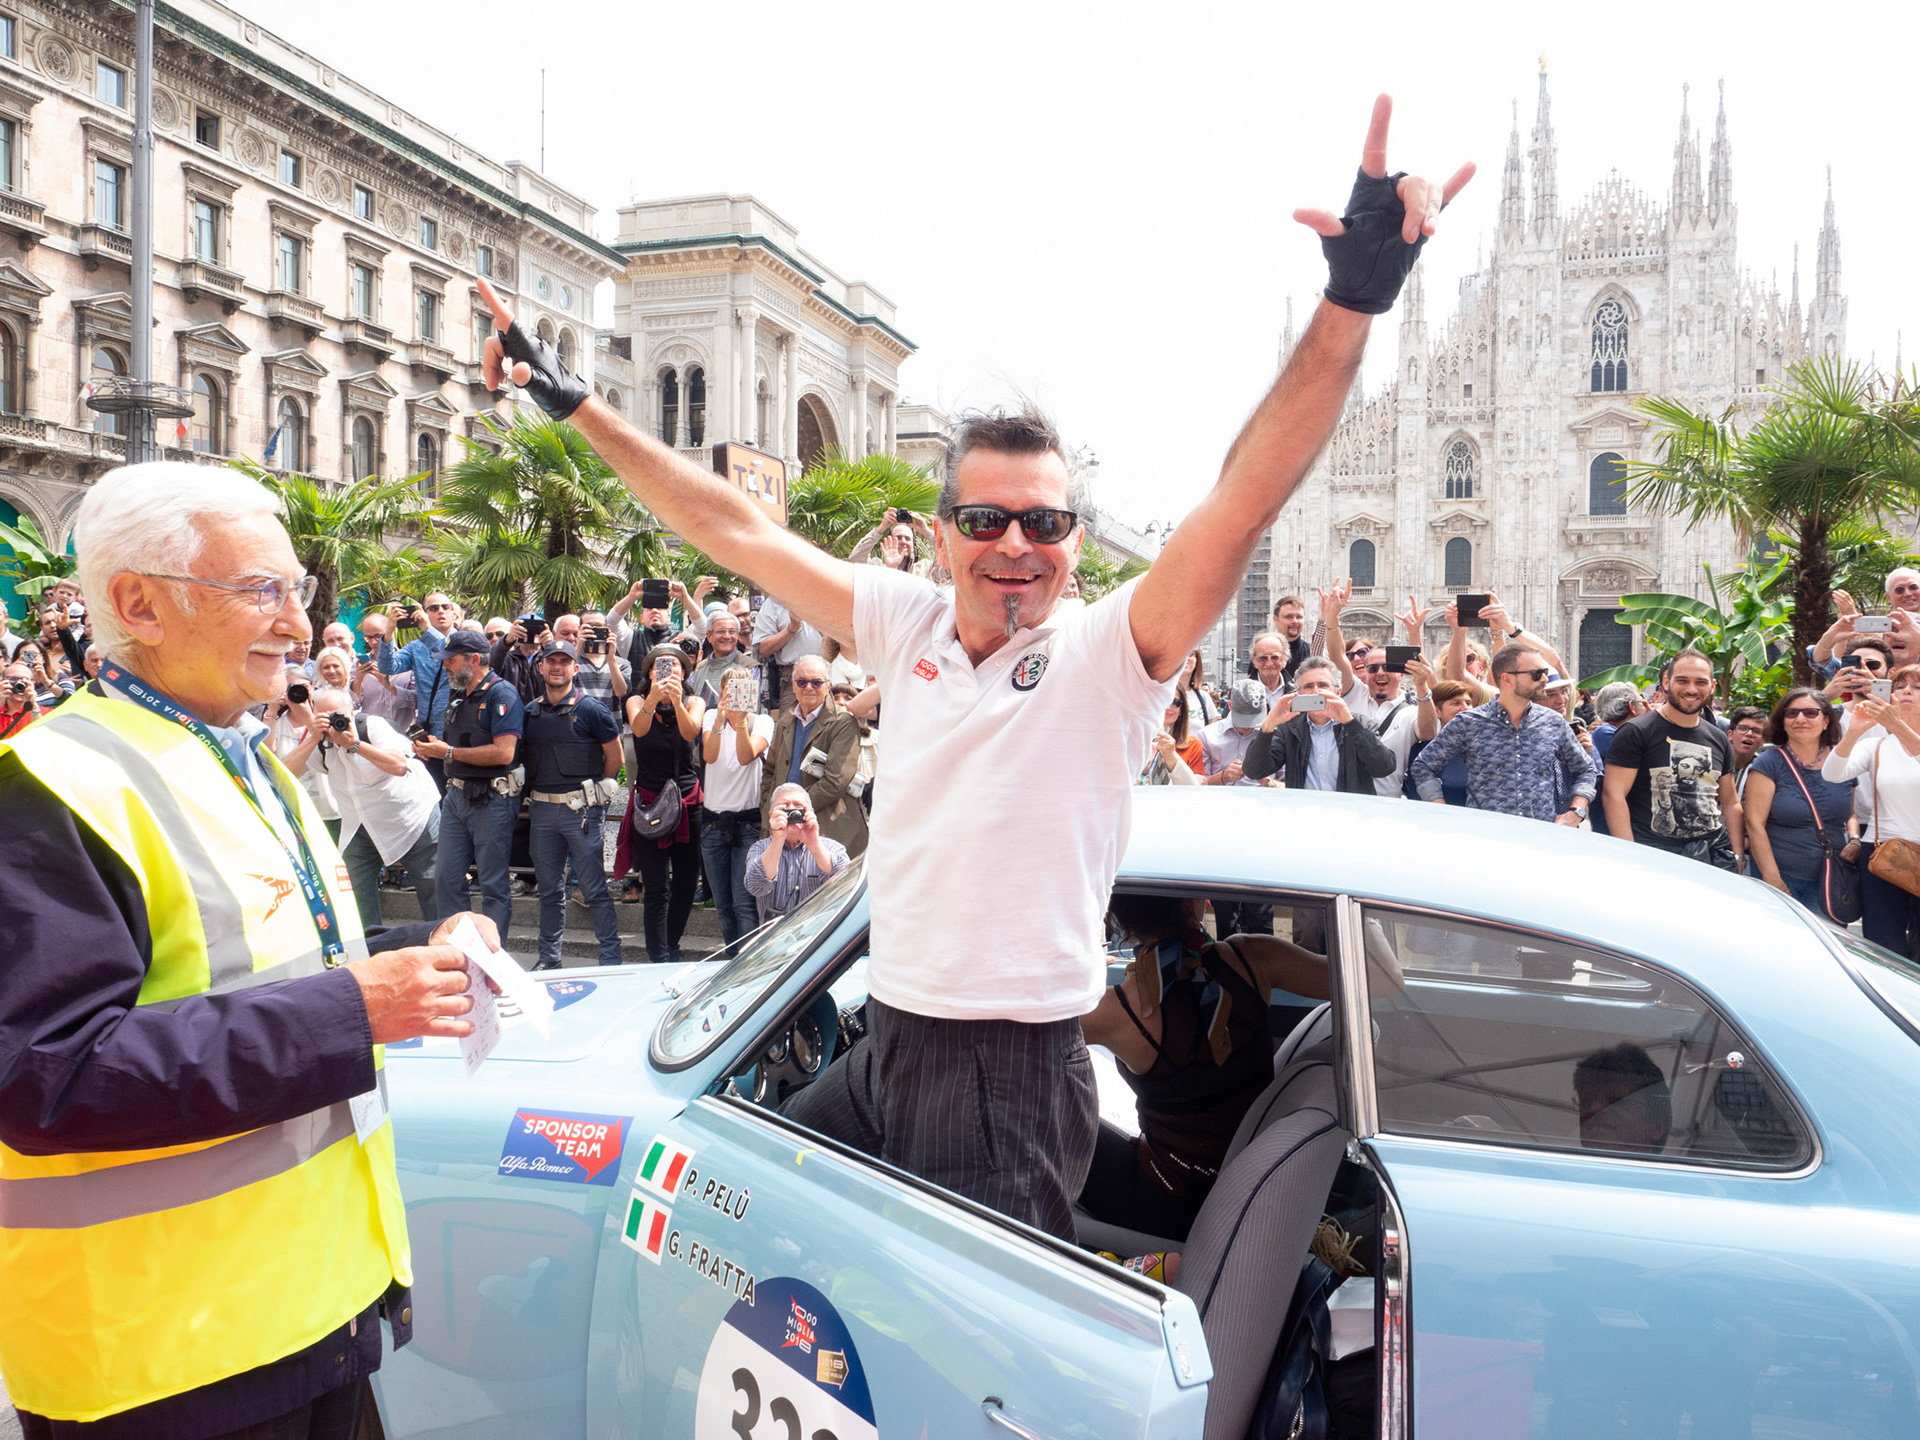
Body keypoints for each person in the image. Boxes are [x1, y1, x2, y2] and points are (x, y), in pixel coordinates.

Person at [474, 99, 1469, 1236]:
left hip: (1002, 1076)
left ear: (1075, 547)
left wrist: (1351, 304)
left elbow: (1241, 500)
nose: (1015, 546)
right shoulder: (908, 624)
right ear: (941, 534)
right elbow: (735, 532)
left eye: (1044, 526)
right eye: (988, 519)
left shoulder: (1104, 657)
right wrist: (574, 400)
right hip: (890, 1038)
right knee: (737, 1227)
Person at [0, 461, 493, 1436]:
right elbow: (45, 1076)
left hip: (312, 1313)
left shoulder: (243, 751)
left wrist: (416, 950)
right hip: (162, 1365)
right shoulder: (50, 786)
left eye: (297, 590)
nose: (299, 627)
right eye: (259, 590)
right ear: (139, 604)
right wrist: (359, 1009)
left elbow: (273, 961)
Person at [1078, 893, 1336, 1237]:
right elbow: (1382, 980)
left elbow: (1019, 1039)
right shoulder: (1253, 959)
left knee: (1062, 1115)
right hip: (1247, 1183)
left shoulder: (1116, 1010)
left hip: (1167, 1205)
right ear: (1193, 904)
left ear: (1119, 918)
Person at [283, 682, 442, 931]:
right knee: (354, 892)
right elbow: (285, 773)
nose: (334, 723)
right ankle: (370, 952)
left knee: (432, 887)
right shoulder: (321, 741)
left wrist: (354, 745)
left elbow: (399, 765)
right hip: (359, 825)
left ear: (352, 711)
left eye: (339, 716)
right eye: (326, 717)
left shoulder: (372, 726)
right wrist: (314, 735)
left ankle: (444, 949)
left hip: (411, 819)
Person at [521, 640, 624, 969]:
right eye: (551, 660)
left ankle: (610, 957)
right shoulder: (529, 712)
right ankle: (548, 959)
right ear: (541, 667)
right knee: (549, 891)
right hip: (541, 812)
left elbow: (616, 757)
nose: (557, 667)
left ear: (575, 668)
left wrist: (593, 792)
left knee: (594, 890)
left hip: (581, 813)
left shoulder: (592, 709)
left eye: (565, 661)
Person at [1411, 644, 1595, 824]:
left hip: (1541, 837)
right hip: (1487, 837)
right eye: (1536, 674)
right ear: (1507, 679)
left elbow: (1586, 769)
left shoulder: (1553, 722)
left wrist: (1576, 812)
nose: (1545, 679)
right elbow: (1423, 766)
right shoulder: (1469, 722)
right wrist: (1440, 807)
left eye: (1545, 672)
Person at [415, 628, 523, 931]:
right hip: (457, 796)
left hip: (492, 799)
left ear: (474, 660)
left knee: (492, 884)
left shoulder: (502, 693)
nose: (445, 665)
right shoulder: (458, 696)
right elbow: (459, 747)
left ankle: (491, 959)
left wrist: (447, 752)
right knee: (446, 879)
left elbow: (504, 753)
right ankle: (457, 954)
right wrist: (433, 749)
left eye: (451, 659)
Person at [1601, 649, 1745, 868]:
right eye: (1682, 680)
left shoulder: (1718, 737)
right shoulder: (1636, 731)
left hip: (1713, 857)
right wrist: (1628, 856)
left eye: (1700, 682)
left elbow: (1730, 801)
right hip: (1654, 856)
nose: (1691, 689)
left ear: (1712, 686)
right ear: (1666, 682)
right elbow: (1614, 796)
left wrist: (1737, 856)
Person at [1824, 669, 1920, 957]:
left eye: (1917, 686)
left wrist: (1898, 726)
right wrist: (1854, 730)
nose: (1906, 691)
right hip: (1882, 855)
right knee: (1883, 945)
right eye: (1900, 686)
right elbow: (1832, 774)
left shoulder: (1897, 736)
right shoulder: (1877, 746)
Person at [625, 644, 706, 963]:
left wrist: (675, 701)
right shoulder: (636, 701)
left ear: (685, 673)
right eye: (660, 666)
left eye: (674, 666)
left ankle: (673, 943)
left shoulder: (695, 700)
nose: (668, 671)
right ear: (648, 673)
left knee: (686, 880)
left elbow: (691, 733)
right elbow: (639, 729)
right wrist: (654, 698)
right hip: (650, 802)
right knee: (656, 886)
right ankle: (657, 953)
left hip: (687, 800)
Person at [1743, 689, 1854, 916]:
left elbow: (1851, 813)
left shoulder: (1843, 761)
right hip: (1782, 877)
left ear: (1826, 721)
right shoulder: (1769, 763)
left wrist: (1856, 840)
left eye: (1810, 713)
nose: (1800, 719)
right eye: (1791, 713)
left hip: (1830, 880)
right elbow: (1755, 824)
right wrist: (1772, 878)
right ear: (1782, 723)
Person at [760, 653, 868, 856]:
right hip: (784, 829)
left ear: (828, 686)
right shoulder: (785, 721)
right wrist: (769, 804)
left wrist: (795, 811)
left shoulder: (843, 723)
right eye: (802, 681)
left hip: (828, 829)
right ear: (793, 685)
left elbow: (835, 781)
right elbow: (770, 771)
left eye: (816, 682)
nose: (808, 687)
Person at [1243, 656, 1396, 792]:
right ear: (1299, 693)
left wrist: (1350, 723)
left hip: (1350, 814)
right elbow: (1254, 771)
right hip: (1305, 813)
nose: (1316, 691)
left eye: (1323, 685)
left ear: (1337, 692)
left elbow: (1383, 768)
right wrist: (1269, 725)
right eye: (1309, 686)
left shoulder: (1361, 723)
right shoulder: (1289, 728)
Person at [702, 680, 777, 945]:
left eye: (742, 691)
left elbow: (746, 755)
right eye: (729, 692)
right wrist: (721, 719)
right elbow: (709, 756)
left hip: (748, 823)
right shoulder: (712, 717)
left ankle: (746, 963)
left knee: (744, 902)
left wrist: (741, 720)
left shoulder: (762, 721)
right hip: (712, 823)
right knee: (722, 903)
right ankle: (731, 958)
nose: (735, 698)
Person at [377, 592, 458, 787]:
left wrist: (428, 629)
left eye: (445, 607)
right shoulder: (416, 647)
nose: (440, 611)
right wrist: (389, 631)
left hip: (456, 734)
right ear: (422, 613)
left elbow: (450, 652)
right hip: (426, 734)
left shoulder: (465, 640)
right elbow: (388, 667)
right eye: (433, 608)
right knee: (432, 792)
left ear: (454, 613)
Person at [743, 782, 852, 922]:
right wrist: (778, 839)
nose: (791, 812)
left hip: (817, 934)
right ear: (771, 815)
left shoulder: (832, 848)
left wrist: (813, 843)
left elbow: (843, 884)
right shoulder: (760, 848)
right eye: (784, 807)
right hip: (775, 936)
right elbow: (755, 887)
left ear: (810, 812)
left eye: (798, 806)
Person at [1574, 1044, 1671, 1154]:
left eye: (1615, 1100)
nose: (1594, 1108)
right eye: (1587, 1101)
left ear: (1657, 1124)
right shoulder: (1555, 1164)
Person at [1401, 678, 1475, 804]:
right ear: (1437, 711)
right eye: (1456, 703)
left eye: (1468, 703)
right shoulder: (1423, 752)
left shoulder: (1483, 746)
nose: (1465, 708)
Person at [751, 590, 823, 710]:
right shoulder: (774, 603)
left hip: (829, 672)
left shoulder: (826, 598)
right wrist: (791, 629)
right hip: (794, 676)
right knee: (790, 724)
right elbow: (764, 649)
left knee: (833, 723)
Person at [1199, 678, 1268, 786]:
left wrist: (1270, 783)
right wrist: (1223, 777)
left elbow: (1289, 783)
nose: (1247, 726)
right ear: (1229, 705)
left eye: (1253, 720)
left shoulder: (1274, 736)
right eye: (1242, 719)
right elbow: (1199, 784)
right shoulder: (1207, 736)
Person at [689, 608, 756, 704]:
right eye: (720, 631)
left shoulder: (749, 667)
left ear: (737, 635)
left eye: (731, 632)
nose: (726, 636)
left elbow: (745, 711)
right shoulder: (699, 669)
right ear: (709, 637)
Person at [1141, 688, 1204, 785]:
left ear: (1181, 711)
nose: (1168, 707)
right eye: (1161, 700)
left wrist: (1171, 756)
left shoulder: (1192, 744)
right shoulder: (1135, 741)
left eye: (1174, 702)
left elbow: (1194, 788)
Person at [1724, 705, 1770, 797]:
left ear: (1763, 740)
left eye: (1756, 731)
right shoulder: (1714, 762)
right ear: (1730, 734)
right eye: (1743, 728)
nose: (1749, 734)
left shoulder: (1764, 771)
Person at [0, 657, 40, 738]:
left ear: (33, 683)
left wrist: (33, 707)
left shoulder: (43, 713)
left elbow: (44, 739)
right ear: (2, 681)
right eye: (13, 679)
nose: (19, 684)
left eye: (25, 680)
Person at [1248, 630, 1290, 705]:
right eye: (1263, 658)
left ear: (1285, 659)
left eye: (1275, 657)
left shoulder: (1298, 691)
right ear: (1254, 660)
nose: (1269, 664)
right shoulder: (1242, 692)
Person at [1179, 648, 1218, 726]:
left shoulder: (1204, 697)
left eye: (1190, 654)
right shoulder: (1159, 694)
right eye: (1180, 653)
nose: (1185, 657)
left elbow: (1210, 730)